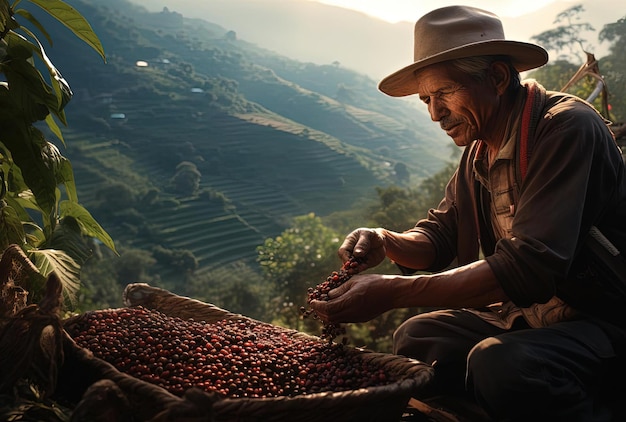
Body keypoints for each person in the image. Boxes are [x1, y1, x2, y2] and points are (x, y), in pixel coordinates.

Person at [309, 5, 626, 421]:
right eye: (426, 99)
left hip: (602, 320)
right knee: (418, 337)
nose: (435, 113)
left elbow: (528, 267)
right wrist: (385, 240)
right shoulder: (480, 148)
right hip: (533, 320)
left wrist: (394, 292)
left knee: (501, 364)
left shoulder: (566, 128)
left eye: (444, 94)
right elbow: (439, 235)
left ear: (495, 77)